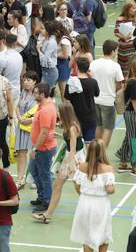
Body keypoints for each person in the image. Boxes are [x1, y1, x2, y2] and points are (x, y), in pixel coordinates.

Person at [33, 101, 85, 223]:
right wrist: (60, 136)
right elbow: (71, 141)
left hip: (75, 159)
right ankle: (47, 215)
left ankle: (90, 209)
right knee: (57, 185)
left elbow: (73, 150)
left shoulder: (72, 127)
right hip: (71, 157)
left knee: (79, 188)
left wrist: (64, 166)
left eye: (59, 111)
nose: (57, 113)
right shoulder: (69, 125)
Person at [70, 139, 115, 252]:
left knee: (87, 236)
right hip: (100, 205)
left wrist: (85, 194)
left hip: (84, 203)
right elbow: (110, 189)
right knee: (104, 235)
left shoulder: (82, 167)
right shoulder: (107, 169)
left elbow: (77, 184)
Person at [27, 83, 58, 213]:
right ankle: (41, 196)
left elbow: (44, 132)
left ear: (43, 95)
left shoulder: (46, 110)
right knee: (34, 171)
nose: (33, 95)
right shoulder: (43, 105)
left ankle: (46, 201)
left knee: (44, 175)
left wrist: (35, 148)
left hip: (43, 148)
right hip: (40, 147)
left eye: (36, 93)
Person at [90, 40, 124, 146]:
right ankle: (102, 153)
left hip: (95, 100)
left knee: (98, 127)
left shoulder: (93, 63)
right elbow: (120, 84)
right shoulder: (115, 66)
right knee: (108, 129)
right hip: (108, 101)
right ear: (113, 51)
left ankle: (95, 151)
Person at [12, 71, 38, 189]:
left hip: (33, 127)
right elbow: (17, 106)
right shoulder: (23, 92)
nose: (26, 82)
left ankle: (35, 179)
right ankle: (20, 179)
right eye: (24, 80)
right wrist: (18, 116)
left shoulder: (38, 94)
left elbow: (42, 110)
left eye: (29, 80)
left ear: (35, 82)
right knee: (21, 153)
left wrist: (31, 119)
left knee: (34, 154)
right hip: (22, 126)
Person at [64, 57, 99, 143]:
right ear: (88, 68)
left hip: (75, 118)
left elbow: (66, 98)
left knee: (75, 144)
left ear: (77, 67)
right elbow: (97, 94)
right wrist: (91, 77)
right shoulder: (93, 82)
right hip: (90, 117)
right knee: (89, 144)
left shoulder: (71, 82)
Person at [115, 1, 136, 76]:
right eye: (133, 8)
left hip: (134, 46)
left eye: (135, 8)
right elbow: (116, 32)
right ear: (127, 9)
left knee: (134, 65)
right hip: (124, 48)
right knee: (123, 67)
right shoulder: (120, 19)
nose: (135, 10)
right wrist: (124, 37)